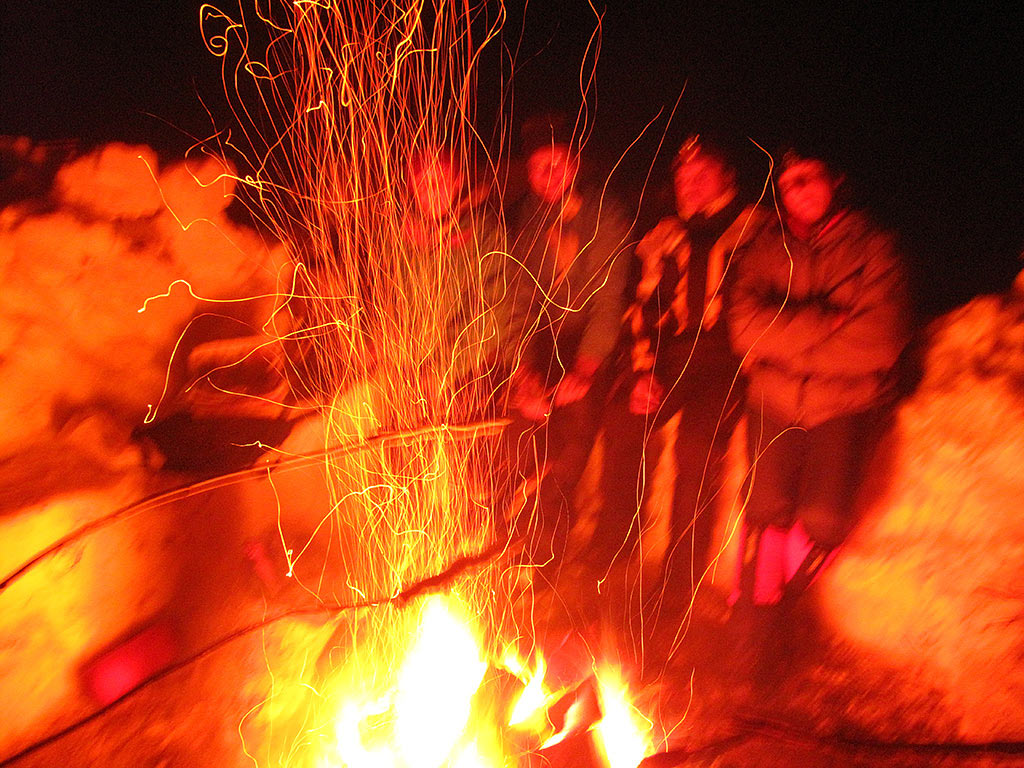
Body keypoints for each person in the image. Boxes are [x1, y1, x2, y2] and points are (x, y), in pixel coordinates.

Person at [726, 149, 911, 625]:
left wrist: (784, 343)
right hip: (774, 401)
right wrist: (826, 322)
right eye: (789, 183)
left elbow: (880, 341)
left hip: (843, 403)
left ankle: (790, 603)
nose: (799, 190)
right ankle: (752, 622)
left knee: (825, 519)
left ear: (835, 181)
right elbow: (743, 328)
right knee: (766, 510)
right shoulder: (767, 247)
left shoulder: (875, 247)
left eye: (809, 178)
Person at [596, 135, 754, 608]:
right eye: (683, 179)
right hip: (676, 357)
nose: (690, 186)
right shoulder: (666, 235)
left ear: (727, 177)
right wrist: (642, 370)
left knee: (697, 449)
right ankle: (615, 547)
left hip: (730, 360)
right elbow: (642, 309)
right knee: (624, 421)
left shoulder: (755, 229)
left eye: (702, 175)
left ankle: (678, 582)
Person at [505, 117, 631, 577]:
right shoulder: (523, 218)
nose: (550, 176)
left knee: (572, 434)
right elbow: (516, 299)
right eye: (540, 168)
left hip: (589, 344)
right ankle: (509, 540)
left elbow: (609, 300)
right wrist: (525, 372)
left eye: (558, 164)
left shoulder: (605, 213)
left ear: (574, 164)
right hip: (541, 341)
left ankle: (545, 559)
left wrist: (584, 371)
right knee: (521, 428)